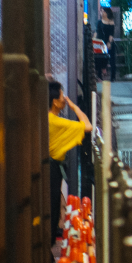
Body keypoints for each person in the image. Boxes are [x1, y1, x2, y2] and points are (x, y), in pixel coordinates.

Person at [45, 80, 92, 232]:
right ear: (55, 102)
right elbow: (87, 126)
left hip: (49, 167)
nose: (64, 99)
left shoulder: (46, 118)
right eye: (62, 96)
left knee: (52, 208)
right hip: (53, 170)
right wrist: (74, 107)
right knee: (52, 210)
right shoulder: (56, 122)